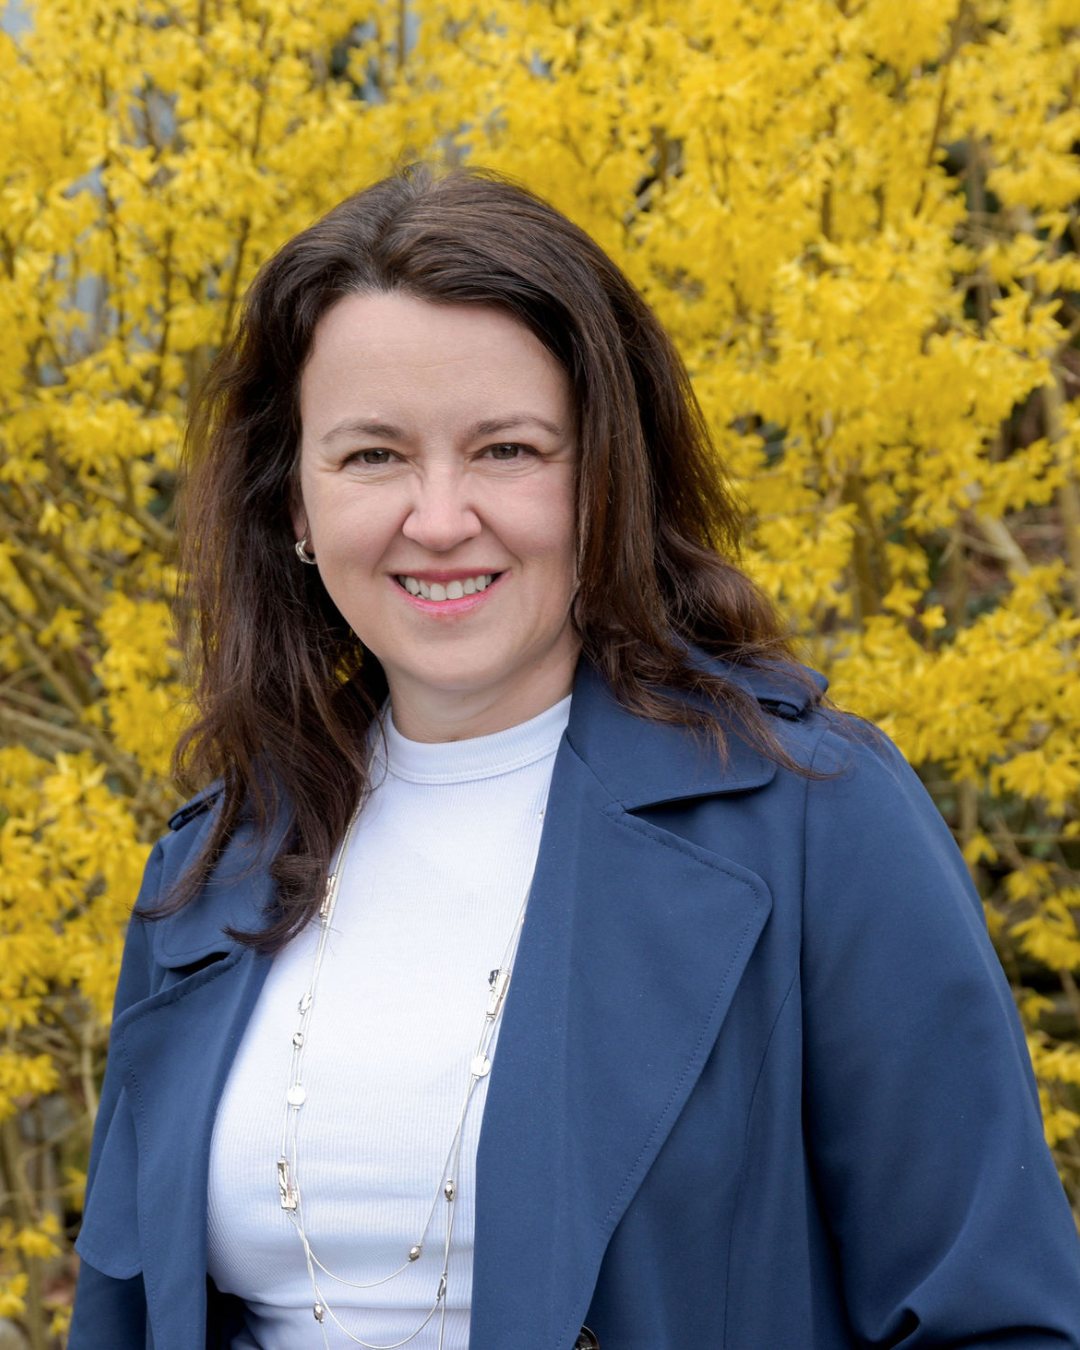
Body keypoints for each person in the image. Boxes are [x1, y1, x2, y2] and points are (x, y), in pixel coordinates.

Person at [70, 164, 1080, 1350]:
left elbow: (995, 1321)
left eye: (507, 450)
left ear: (607, 476)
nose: (438, 520)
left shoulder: (813, 819)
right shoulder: (210, 867)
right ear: (294, 502)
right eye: (372, 456)